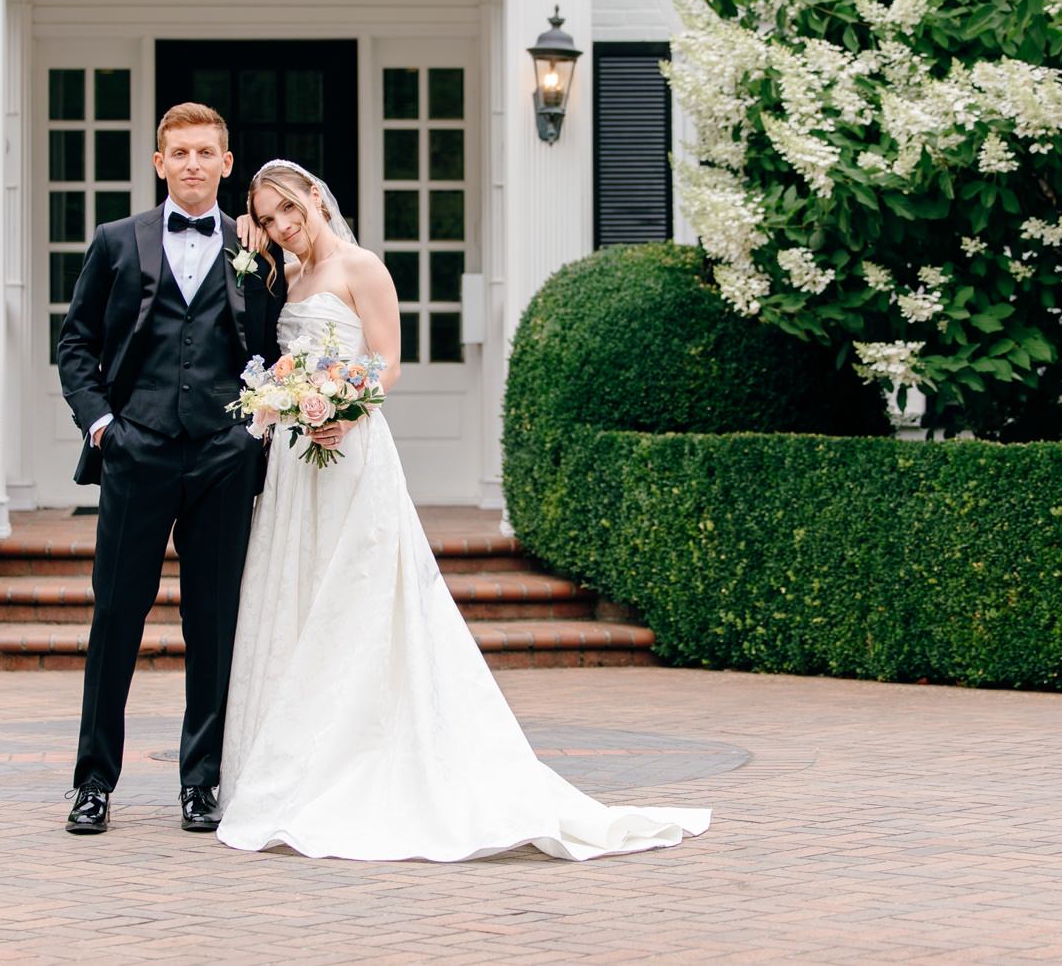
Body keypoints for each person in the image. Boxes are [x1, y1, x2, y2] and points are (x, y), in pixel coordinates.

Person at [218, 159, 710, 860]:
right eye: (267, 219)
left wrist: (346, 413)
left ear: (316, 200)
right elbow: (269, 351)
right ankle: (293, 761)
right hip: (299, 464)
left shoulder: (363, 269)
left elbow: (387, 361)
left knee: (357, 598)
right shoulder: (282, 278)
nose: (282, 227)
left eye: (287, 211)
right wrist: (282, 390)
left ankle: (363, 756)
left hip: (352, 452)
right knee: (294, 596)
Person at [54, 103, 286, 836]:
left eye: (205, 152)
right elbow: (75, 346)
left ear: (226, 164)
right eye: (178, 152)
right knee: (116, 619)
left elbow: (280, 348)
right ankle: (93, 783)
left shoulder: (258, 253)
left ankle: (202, 782)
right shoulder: (117, 242)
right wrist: (103, 428)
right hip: (137, 451)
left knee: (213, 624)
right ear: (160, 164)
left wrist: (255, 432)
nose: (191, 163)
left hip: (224, 457)